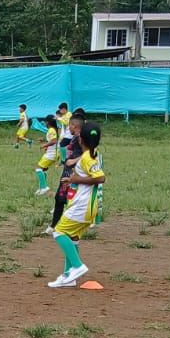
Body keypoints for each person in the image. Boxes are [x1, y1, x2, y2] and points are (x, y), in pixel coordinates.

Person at [47, 122, 105, 287]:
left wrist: (75, 178)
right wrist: (73, 180)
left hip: (82, 206)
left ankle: (78, 266)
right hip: (88, 206)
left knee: (58, 232)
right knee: (72, 239)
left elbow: (100, 178)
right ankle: (68, 276)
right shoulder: (93, 154)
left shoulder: (87, 157)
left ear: (81, 140)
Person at [49, 112, 84, 232]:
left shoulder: (81, 138)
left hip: (74, 173)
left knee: (67, 200)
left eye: (69, 125)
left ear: (74, 125)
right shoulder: (75, 137)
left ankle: (60, 227)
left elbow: (90, 153)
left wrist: (74, 160)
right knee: (60, 199)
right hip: (67, 172)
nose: (68, 128)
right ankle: (54, 226)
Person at [35, 114, 59, 194]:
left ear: (47, 122)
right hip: (54, 153)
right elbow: (52, 139)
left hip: (51, 154)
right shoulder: (53, 129)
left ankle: (44, 187)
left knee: (38, 168)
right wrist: (44, 140)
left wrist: (44, 145)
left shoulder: (51, 130)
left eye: (45, 122)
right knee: (44, 169)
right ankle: (42, 188)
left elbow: (54, 141)